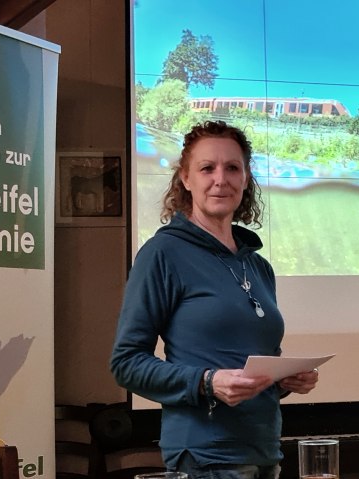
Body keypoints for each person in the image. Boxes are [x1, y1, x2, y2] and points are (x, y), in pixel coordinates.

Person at [110, 120, 319, 479]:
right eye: (207, 168)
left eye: (232, 168)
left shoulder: (258, 266)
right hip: (205, 458)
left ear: (246, 179)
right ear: (186, 180)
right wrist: (207, 382)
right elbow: (126, 363)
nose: (220, 179)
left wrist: (285, 379)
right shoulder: (162, 254)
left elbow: (250, 365)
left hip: (265, 452)